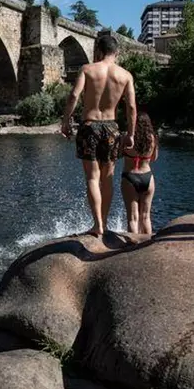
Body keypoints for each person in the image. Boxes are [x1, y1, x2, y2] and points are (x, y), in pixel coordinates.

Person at [61, 35, 136, 238]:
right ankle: (104, 222)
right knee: (107, 179)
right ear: (116, 52)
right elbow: (131, 107)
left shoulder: (87, 69)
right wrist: (130, 134)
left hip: (89, 126)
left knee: (92, 178)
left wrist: (66, 121)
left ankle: (98, 225)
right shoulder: (125, 75)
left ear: (98, 51)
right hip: (112, 127)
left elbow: (74, 95)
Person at [120, 111, 158, 235]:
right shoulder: (152, 138)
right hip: (147, 177)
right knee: (146, 217)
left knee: (132, 218)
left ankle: (133, 243)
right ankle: (147, 243)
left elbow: (118, 154)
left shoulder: (127, 138)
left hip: (130, 177)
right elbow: (154, 158)